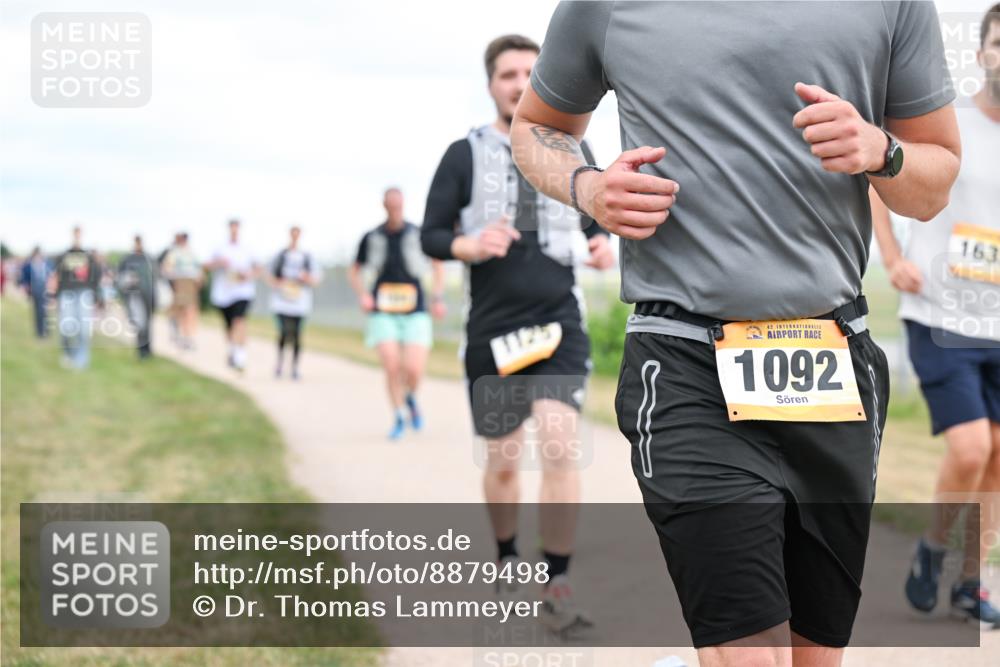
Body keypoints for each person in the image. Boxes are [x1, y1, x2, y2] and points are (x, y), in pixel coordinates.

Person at [511, 1, 960, 662]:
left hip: (833, 367)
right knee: (751, 655)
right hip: (686, 357)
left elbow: (934, 180)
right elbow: (537, 127)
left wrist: (881, 151)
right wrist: (587, 187)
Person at [421, 35, 615, 636]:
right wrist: (468, 244)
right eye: (507, 74)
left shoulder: (573, 148)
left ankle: (556, 583)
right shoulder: (463, 154)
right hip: (493, 329)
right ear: (491, 85)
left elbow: (598, 217)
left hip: (560, 323)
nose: (518, 82)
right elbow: (431, 234)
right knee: (503, 462)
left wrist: (603, 243)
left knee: (560, 442)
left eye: (530, 72)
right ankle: (507, 560)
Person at [867, 4, 1000, 629]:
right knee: (971, 447)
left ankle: (971, 583)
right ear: (981, 53)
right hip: (940, 314)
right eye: (999, 43)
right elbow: (877, 177)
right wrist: (891, 256)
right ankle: (933, 548)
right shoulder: (950, 123)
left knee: (996, 459)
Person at [349, 187, 446, 439]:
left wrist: (437, 297)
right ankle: (399, 415)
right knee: (392, 365)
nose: (394, 209)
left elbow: (437, 265)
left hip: (415, 309)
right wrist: (363, 295)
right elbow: (355, 270)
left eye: (398, 205)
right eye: (390, 205)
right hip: (383, 310)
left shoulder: (417, 234)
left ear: (403, 204)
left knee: (413, 369)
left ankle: (410, 398)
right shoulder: (372, 237)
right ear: (384, 205)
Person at [205, 219, 258, 372]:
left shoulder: (248, 248)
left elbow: (258, 268)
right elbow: (206, 266)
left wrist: (248, 274)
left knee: (239, 321)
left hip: (242, 291)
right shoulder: (220, 248)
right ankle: (233, 349)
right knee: (229, 326)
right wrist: (219, 263)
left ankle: (240, 356)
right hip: (224, 293)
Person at [269, 225, 321, 380]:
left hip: (300, 301)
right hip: (282, 300)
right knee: (284, 333)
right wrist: (279, 283)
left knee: (297, 335)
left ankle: (294, 367)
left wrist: (306, 278)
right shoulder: (281, 255)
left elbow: (316, 278)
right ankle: (279, 363)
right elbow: (270, 275)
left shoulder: (307, 256)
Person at [51, 226, 103, 369]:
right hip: (67, 294)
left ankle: (81, 360)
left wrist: (96, 295)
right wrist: (55, 297)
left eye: (79, 235)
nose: (77, 237)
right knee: (66, 328)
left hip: (84, 293)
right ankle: (68, 354)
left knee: (83, 329)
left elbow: (97, 276)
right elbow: (57, 277)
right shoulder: (64, 255)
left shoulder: (88, 256)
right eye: (75, 234)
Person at [117, 235, 157, 359]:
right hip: (135, 296)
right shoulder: (128, 259)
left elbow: (155, 277)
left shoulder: (148, 258)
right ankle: (141, 350)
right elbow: (121, 278)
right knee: (140, 323)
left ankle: (148, 349)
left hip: (148, 295)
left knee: (148, 323)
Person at [161, 232, 203, 350]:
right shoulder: (175, 253)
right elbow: (166, 268)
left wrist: (199, 279)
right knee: (181, 311)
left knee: (190, 311)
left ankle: (187, 337)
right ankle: (180, 333)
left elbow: (198, 269)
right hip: (179, 283)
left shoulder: (191, 253)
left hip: (190, 284)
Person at [19, 246, 52, 338]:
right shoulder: (29, 265)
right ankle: (39, 332)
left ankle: (46, 330)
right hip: (34, 290)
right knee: (37, 311)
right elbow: (24, 278)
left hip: (45, 290)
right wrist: (25, 286)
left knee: (44, 311)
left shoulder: (46, 264)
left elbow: (51, 276)